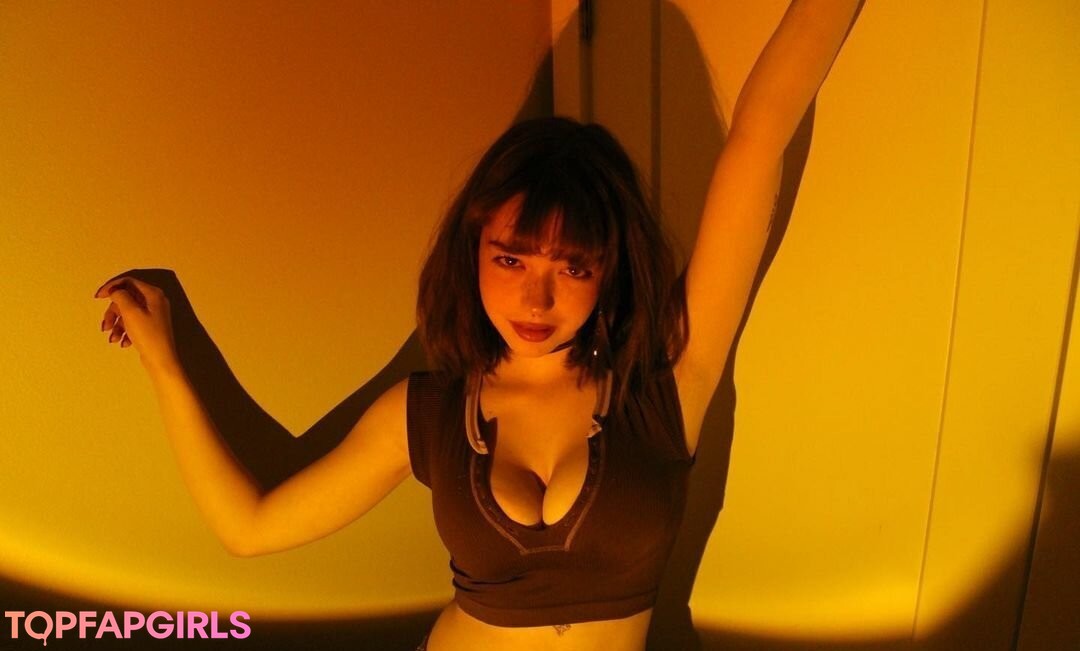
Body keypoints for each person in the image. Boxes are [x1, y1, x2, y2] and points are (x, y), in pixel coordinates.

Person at [94, 2, 863, 649]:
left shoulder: (663, 384)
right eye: (511, 258)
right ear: (474, 252)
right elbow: (251, 526)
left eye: (573, 267)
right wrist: (166, 359)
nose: (537, 297)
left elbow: (760, 133)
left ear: (609, 271)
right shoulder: (428, 413)